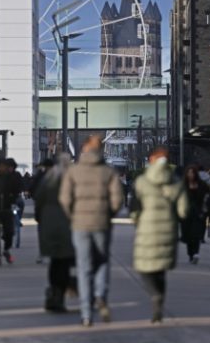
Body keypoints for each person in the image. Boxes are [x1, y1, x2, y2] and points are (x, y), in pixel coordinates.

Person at [59, 136, 124, 327]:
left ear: (83, 150)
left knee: (84, 266)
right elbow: (117, 199)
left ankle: (86, 313)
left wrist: (73, 215)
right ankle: (100, 295)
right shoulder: (108, 172)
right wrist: (108, 213)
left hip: (80, 224)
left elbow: (64, 198)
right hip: (102, 223)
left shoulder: (73, 171)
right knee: (102, 261)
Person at [131, 148, 188, 323]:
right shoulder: (177, 182)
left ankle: (154, 295)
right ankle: (160, 298)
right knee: (161, 269)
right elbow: (184, 211)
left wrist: (137, 219)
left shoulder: (142, 181)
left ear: (151, 160)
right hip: (168, 229)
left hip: (146, 228)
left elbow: (135, 207)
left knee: (144, 268)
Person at [35, 153, 74, 313]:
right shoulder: (72, 179)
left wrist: (42, 219)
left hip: (49, 221)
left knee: (54, 261)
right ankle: (60, 295)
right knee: (64, 262)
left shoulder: (48, 179)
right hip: (67, 222)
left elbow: (39, 199)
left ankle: (53, 291)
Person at [180, 165, 209, 264]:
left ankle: (196, 253)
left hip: (198, 213)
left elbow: (209, 195)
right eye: (189, 173)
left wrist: (206, 207)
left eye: (192, 173)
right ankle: (190, 253)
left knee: (196, 234)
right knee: (188, 235)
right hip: (187, 213)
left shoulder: (202, 185)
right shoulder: (183, 185)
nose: (190, 175)